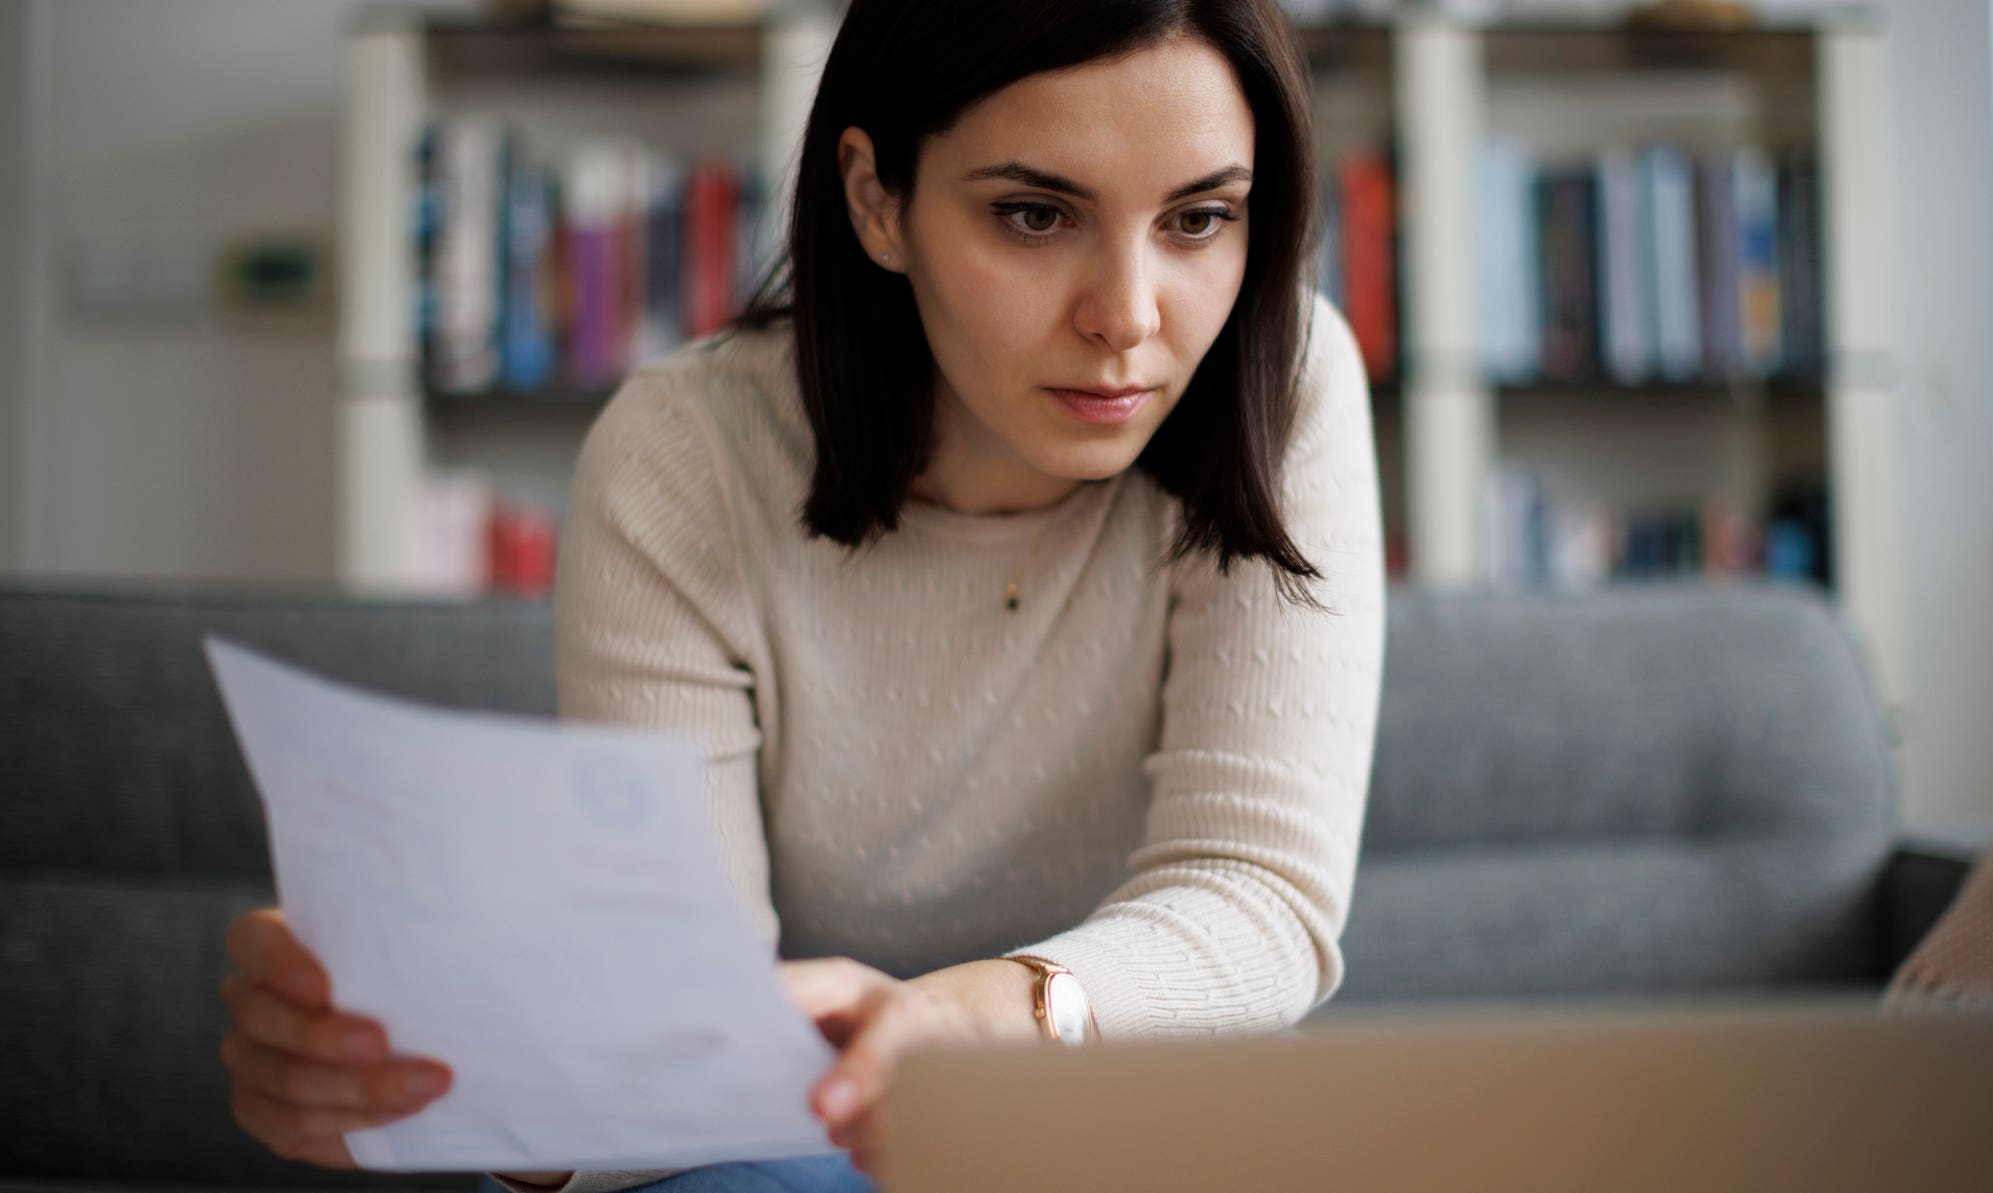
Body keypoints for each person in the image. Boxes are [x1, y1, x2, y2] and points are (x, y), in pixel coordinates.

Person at [218, 0, 1386, 1189]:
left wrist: (985, 1018)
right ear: (876, 198)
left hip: (1129, 1121)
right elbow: (682, 1027)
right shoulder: (687, 454)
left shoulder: (1281, 381)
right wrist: (456, 1084)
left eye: (1198, 219)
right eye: (1033, 214)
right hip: (795, 1139)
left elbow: (1258, 899)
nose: (1128, 316)